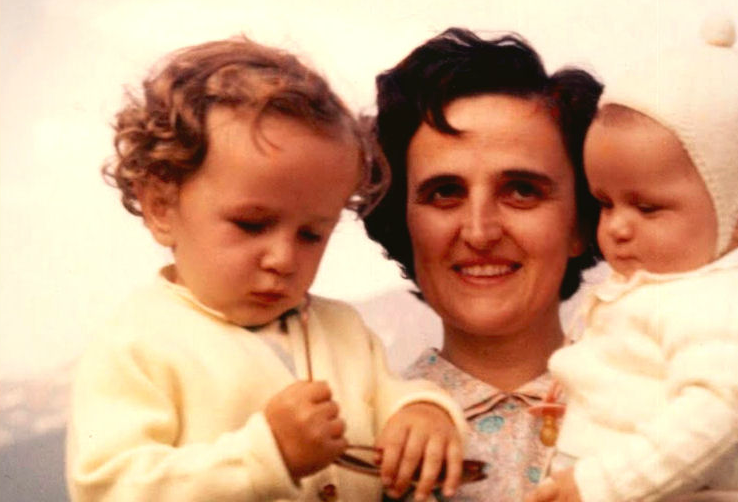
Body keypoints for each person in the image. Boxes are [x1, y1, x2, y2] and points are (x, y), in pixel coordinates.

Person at [66, 37, 467, 502]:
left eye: (312, 235)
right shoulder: (137, 346)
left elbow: (390, 397)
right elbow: (111, 487)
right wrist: (267, 455)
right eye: (251, 224)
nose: (283, 259)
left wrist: (422, 412)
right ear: (160, 205)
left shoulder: (342, 331)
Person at [527, 15, 738, 502]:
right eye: (604, 202)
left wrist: (601, 485)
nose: (616, 226)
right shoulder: (680, 282)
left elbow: (718, 415)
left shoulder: (737, 301)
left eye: (646, 207)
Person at [363, 28, 603, 501]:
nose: (480, 232)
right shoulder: (362, 432)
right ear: (403, 225)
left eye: (521, 190)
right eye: (445, 193)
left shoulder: (664, 412)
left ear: (580, 221)